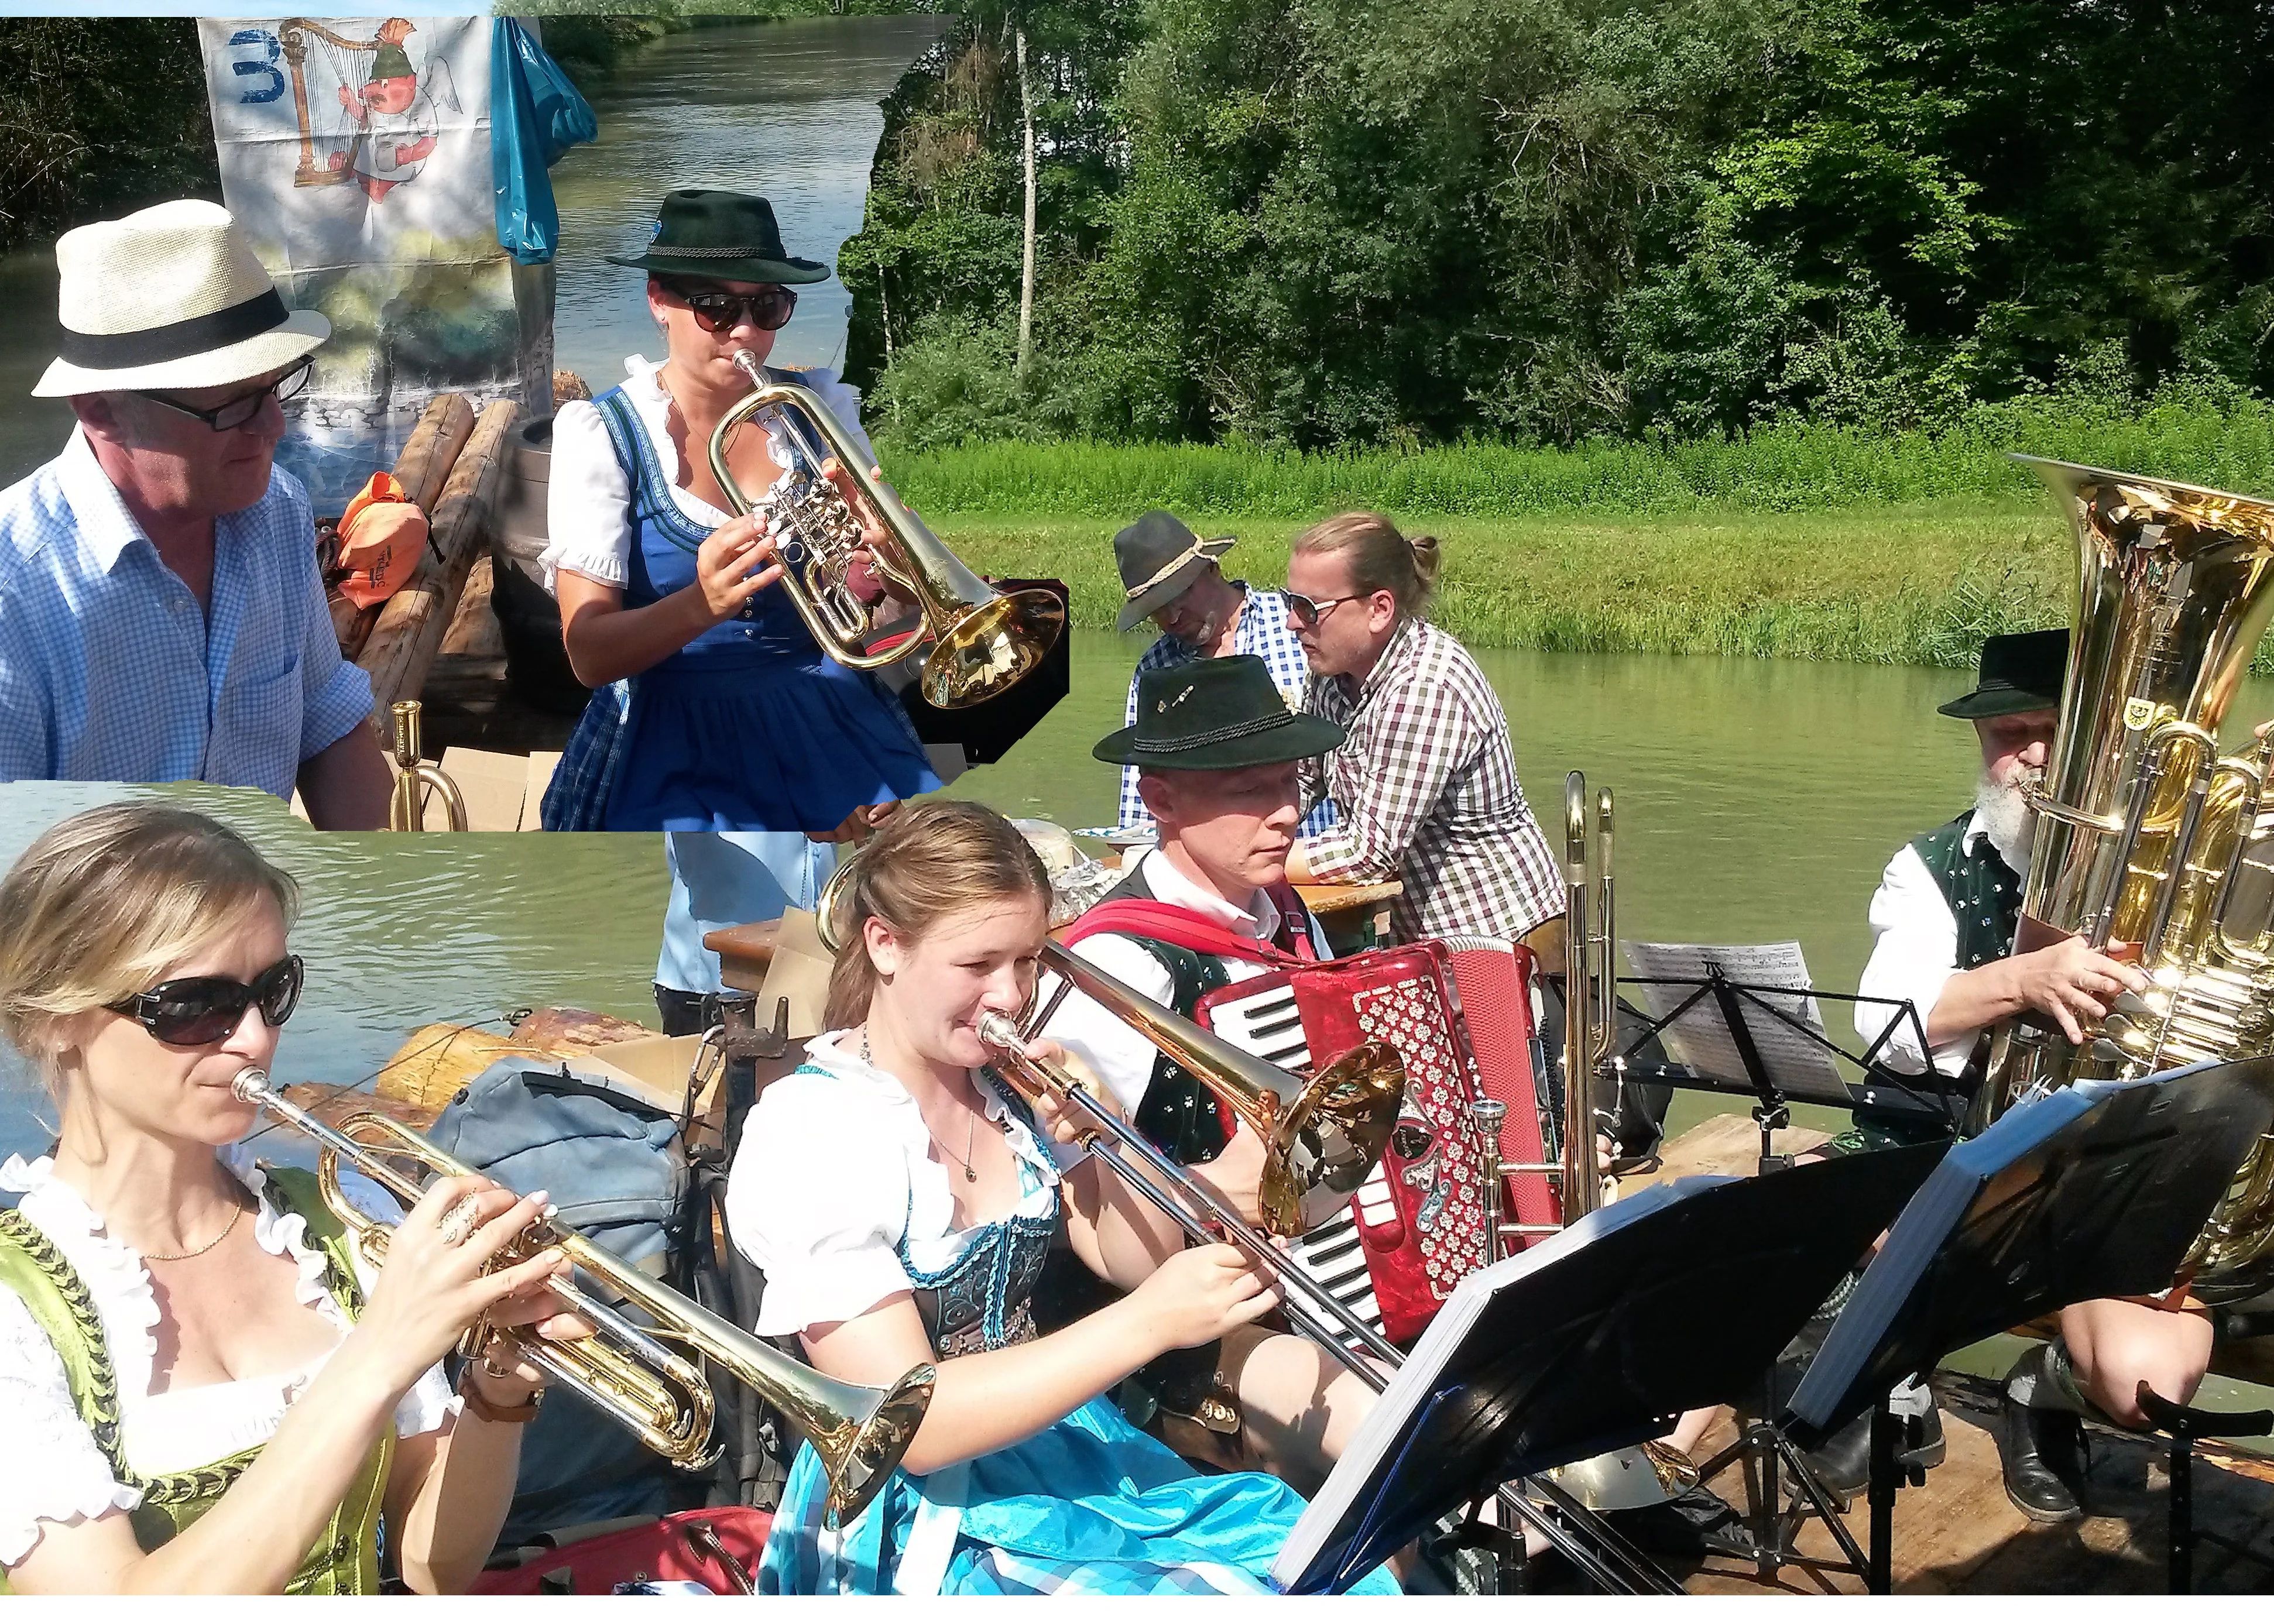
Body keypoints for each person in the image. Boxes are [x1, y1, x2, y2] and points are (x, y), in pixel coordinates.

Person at [723, 801, 1396, 1595]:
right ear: (884, 944)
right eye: (978, 965)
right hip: (919, 1514)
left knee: (1329, 1558)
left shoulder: (1005, 1089)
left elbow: (1132, 1260)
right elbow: (910, 1429)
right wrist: (1152, 1321)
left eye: (1028, 960)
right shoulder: (815, 1130)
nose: (1011, 995)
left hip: (1060, 1443)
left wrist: (1105, 1134)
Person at [0, 805, 581, 1593]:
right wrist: (380, 1349)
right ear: (55, 1017)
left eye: (272, 989)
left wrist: (498, 1384)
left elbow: (431, 1563)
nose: (253, 1038)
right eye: (196, 1004)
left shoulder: (328, 1226)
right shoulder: (16, 1304)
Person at [1855, 628, 2186, 1525]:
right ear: (1980, 744)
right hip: (1970, 1165)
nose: (2031, 759)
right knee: (1839, 1251)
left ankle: (2044, 1388)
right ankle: (1904, 1391)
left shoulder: (2178, 865)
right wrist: (2021, 980)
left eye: (2053, 733)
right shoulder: (1931, 867)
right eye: (2009, 736)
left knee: (2143, 1381)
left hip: (2122, 1173)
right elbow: (1884, 1029)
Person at [1040, 655, 1378, 1477]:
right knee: (1405, 1424)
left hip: (1333, 1265)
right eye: (1248, 791)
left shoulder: (1289, 913)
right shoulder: (1115, 968)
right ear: (1159, 800)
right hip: (1193, 1326)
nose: (1288, 812)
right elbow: (1090, 1224)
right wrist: (1226, 1184)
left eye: (1293, 783)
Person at [539, 188, 939, 833]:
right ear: (659, 303)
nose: (747, 332)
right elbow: (588, 656)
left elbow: (881, 614)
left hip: (823, 718)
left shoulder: (819, 412)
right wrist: (702, 604)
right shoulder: (601, 432)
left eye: (768, 305)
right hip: (666, 739)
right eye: (716, 307)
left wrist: (891, 567)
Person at [0, 200, 390, 828]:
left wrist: (395, 906)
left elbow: (325, 724)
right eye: (233, 404)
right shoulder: (16, 599)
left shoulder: (277, 511)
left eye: (275, 386)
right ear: (100, 408)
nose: (274, 425)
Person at [1281, 512, 1564, 966]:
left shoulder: (1425, 685)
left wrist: (1250, 860)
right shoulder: (1333, 674)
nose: (1294, 624)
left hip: (1500, 940)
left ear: (1379, 609)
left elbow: (1366, 852)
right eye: (1289, 601)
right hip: (1426, 939)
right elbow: (1297, 782)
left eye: (1309, 608)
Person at [1110, 511, 1334, 839]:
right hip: (1214, 865)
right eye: (1156, 608)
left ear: (1212, 569)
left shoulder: (1296, 627)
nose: (1172, 617)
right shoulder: (1155, 671)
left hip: (1312, 846)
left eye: (1180, 595)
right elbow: (1140, 790)